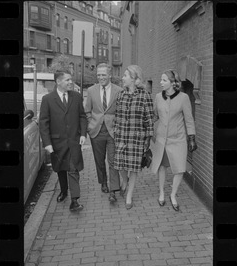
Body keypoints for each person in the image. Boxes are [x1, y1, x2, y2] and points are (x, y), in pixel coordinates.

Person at [39, 70, 87, 212]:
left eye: (71, 80)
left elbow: (82, 117)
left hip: (73, 141)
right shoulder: (47, 99)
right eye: (67, 80)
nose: (70, 82)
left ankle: (74, 200)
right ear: (58, 82)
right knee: (60, 168)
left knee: (73, 169)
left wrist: (83, 134)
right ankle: (64, 191)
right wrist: (47, 143)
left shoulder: (77, 97)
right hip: (56, 143)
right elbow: (44, 123)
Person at [150, 69, 198, 211]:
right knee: (162, 166)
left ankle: (173, 195)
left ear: (173, 83)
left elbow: (189, 120)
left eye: (164, 80)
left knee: (179, 169)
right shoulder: (158, 97)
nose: (161, 82)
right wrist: (146, 125)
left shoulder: (183, 97)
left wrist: (192, 138)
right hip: (162, 139)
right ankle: (161, 193)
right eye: (160, 80)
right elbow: (155, 116)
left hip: (178, 139)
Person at [113, 65, 154, 209]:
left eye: (125, 75)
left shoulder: (145, 96)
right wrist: (116, 129)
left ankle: (129, 194)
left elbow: (149, 119)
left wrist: (148, 139)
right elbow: (117, 115)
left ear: (134, 78)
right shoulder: (120, 95)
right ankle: (125, 181)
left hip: (136, 138)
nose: (122, 78)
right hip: (121, 136)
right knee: (120, 165)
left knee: (134, 168)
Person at [85, 63, 123, 202]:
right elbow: (87, 110)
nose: (101, 77)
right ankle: (104, 183)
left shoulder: (119, 91)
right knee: (99, 161)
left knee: (113, 161)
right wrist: (90, 124)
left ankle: (114, 190)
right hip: (96, 131)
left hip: (112, 131)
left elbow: (121, 111)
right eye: (99, 75)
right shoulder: (91, 90)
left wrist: (117, 125)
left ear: (109, 75)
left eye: (103, 75)